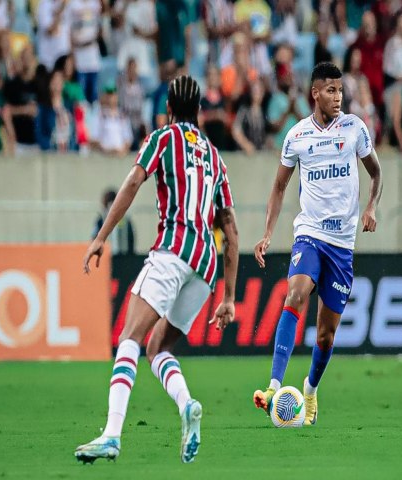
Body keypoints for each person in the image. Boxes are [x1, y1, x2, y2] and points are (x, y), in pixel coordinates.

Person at [75, 75, 239, 463]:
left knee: (129, 338)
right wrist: (229, 297)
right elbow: (229, 228)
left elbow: (133, 182)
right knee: (156, 347)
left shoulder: (162, 139)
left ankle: (112, 434)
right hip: (206, 265)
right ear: (199, 111)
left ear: (167, 108)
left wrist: (102, 236)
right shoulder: (216, 157)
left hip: (172, 250)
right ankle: (187, 406)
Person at [252, 62, 382, 426]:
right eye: (330, 90)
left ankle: (309, 391)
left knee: (325, 335)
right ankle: (274, 386)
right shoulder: (296, 136)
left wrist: (372, 206)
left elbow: (376, 173)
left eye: (340, 90)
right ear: (315, 93)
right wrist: (267, 234)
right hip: (309, 233)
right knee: (295, 294)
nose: (337, 97)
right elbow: (278, 188)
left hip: (342, 244)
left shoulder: (355, 128)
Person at [92, 189, 135, 255]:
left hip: (112, 255)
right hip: (122, 256)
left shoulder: (125, 220)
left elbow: (93, 239)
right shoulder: (100, 221)